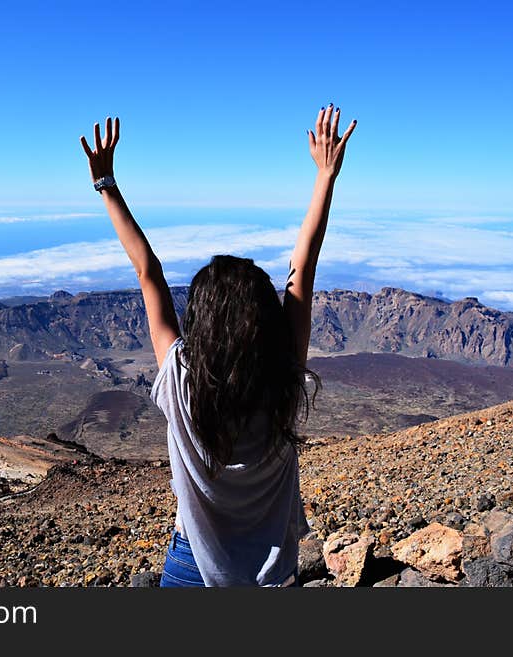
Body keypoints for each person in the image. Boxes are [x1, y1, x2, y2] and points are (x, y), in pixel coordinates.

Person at [79, 105, 356, 586]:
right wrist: (325, 175)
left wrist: (107, 186)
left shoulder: (180, 380)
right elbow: (303, 270)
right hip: (272, 577)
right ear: (265, 322)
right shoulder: (283, 377)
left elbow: (149, 273)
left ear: (200, 323)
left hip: (192, 570)